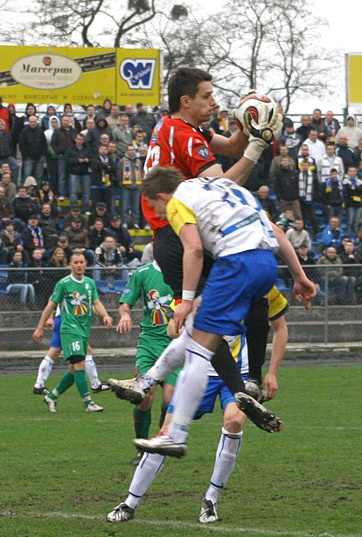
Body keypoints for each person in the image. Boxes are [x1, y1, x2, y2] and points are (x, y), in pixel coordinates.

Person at [111, 167, 315, 457]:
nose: (159, 214)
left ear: (160, 196)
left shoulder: (177, 201)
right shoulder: (226, 187)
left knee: (199, 345)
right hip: (266, 265)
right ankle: (146, 383)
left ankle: (174, 432)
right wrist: (299, 276)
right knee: (199, 333)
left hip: (235, 264)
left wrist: (186, 299)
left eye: (156, 208)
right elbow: (278, 232)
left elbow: (193, 249)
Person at [107, 287, 289, 523]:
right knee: (168, 432)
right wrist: (181, 326)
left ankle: (211, 499)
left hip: (239, 375)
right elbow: (173, 329)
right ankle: (130, 502)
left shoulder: (261, 283)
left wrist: (272, 373)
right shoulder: (205, 283)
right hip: (199, 368)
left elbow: (280, 327)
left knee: (234, 422)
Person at [115, 259, 181, 465]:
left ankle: (160, 440)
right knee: (145, 396)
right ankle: (141, 448)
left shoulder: (182, 270)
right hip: (149, 344)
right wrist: (124, 315)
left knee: (170, 400)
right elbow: (125, 304)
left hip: (175, 345)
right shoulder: (142, 273)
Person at [32, 253, 113, 412]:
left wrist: (105, 315)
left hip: (83, 330)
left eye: (81, 262)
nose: (79, 265)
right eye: (75, 262)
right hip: (69, 329)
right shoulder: (64, 284)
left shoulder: (90, 283)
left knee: (74, 369)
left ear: (86, 264)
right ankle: (88, 403)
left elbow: (96, 302)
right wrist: (40, 326)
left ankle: (52, 397)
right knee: (79, 364)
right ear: (70, 265)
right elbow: (50, 305)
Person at [33, 310, 110, 395]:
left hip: (66, 320)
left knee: (54, 352)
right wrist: (49, 317)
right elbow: (52, 300)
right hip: (67, 321)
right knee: (85, 352)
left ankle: (39, 384)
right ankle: (95, 385)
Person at [117, 144, 143, 228]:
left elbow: (141, 172)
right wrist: (121, 184)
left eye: (132, 150)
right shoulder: (122, 161)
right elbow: (119, 173)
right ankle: (124, 222)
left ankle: (135, 222)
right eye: (129, 150)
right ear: (127, 151)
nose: (131, 151)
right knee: (124, 207)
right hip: (126, 187)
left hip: (137, 186)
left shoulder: (139, 161)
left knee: (135, 207)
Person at [343, 166, 362, 238]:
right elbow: (348, 191)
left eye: (353, 171)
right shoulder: (345, 181)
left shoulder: (359, 181)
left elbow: (359, 191)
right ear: (347, 172)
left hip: (358, 204)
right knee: (350, 222)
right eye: (350, 171)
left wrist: (354, 188)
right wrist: (354, 189)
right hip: (350, 204)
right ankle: (349, 237)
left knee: (356, 222)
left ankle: (355, 237)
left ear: (356, 172)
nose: (352, 173)